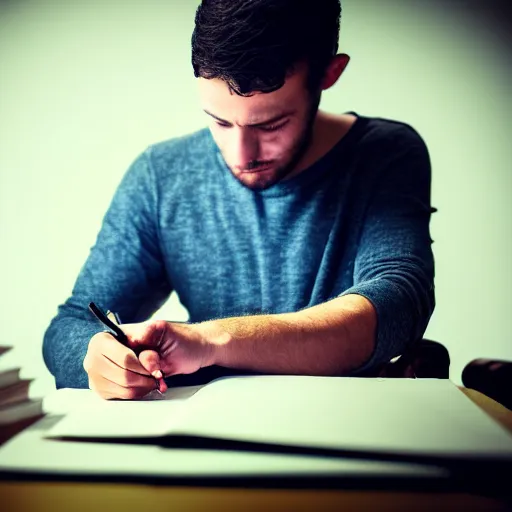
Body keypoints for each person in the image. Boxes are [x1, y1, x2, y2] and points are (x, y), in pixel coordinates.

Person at [42, 0, 436, 399]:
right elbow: (71, 324)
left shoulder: (385, 155)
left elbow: (396, 306)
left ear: (328, 75)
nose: (241, 154)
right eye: (219, 121)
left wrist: (212, 341)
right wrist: (97, 356)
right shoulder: (161, 176)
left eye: (270, 124)